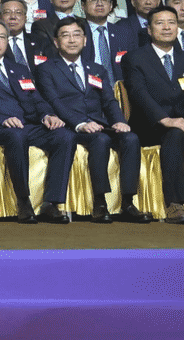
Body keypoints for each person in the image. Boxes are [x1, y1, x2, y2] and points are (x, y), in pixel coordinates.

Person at [39, 16, 149, 223]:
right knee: (100, 139)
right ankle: (100, 202)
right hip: (70, 126)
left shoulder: (96, 69)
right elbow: (54, 102)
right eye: (65, 35)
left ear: (85, 40)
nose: (72, 40)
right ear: (56, 42)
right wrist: (80, 124)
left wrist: (119, 121)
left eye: (77, 35)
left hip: (99, 124)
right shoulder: (47, 69)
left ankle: (128, 202)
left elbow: (109, 101)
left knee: (131, 138)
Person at [0, 19, 75, 224]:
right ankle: (23, 201)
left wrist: (47, 115)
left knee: (65, 136)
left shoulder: (19, 69)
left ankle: (51, 202)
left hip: (27, 125)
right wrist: (2, 119)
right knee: (16, 135)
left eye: (1, 37)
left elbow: (37, 99)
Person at [123, 6, 184, 222]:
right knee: (176, 134)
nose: (166, 27)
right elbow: (138, 93)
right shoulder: (135, 58)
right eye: (160, 23)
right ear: (149, 30)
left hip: (181, 121)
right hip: (150, 125)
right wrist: (165, 119)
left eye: (171, 22)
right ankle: (174, 204)